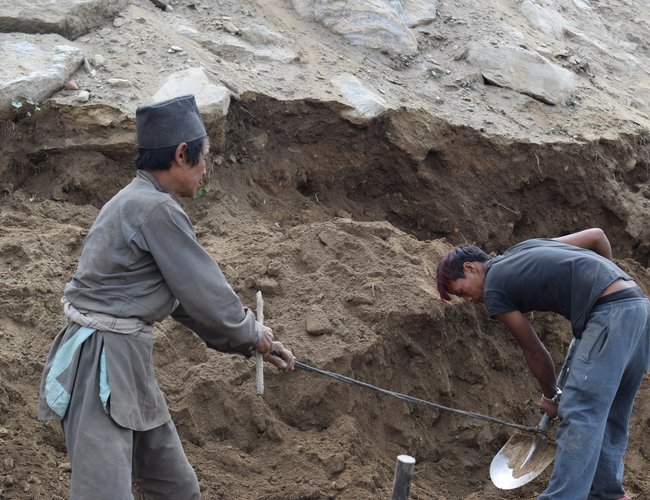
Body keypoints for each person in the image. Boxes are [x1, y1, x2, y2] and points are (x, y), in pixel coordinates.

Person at [38, 94, 295, 499]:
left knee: (177, 489)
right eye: (203, 157)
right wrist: (252, 332)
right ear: (180, 154)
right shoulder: (155, 209)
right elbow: (208, 296)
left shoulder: (135, 202)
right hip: (99, 363)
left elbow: (181, 302)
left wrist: (251, 343)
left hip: (128, 364)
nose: (205, 170)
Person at [436, 228, 649, 500]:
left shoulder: (494, 289)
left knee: (579, 412)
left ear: (470, 268)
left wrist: (552, 395)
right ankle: (608, 494)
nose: (468, 300)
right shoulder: (524, 249)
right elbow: (597, 237)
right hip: (638, 307)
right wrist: (605, 279)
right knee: (612, 414)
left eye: (461, 291)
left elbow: (533, 349)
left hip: (608, 314)